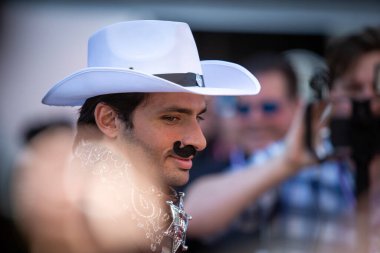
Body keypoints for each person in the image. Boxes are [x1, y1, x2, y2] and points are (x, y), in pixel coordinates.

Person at [14, 20, 262, 253]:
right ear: (108, 120)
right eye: (172, 118)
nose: (199, 140)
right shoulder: (71, 216)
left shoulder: (144, 211)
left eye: (199, 118)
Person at [182, 52, 309, 252]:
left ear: (298, 107)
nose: (255, 120)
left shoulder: (325, 169)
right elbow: (188, 220)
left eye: (269, 107)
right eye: (244, 109)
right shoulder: (201, 170)